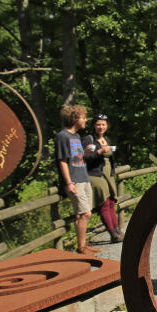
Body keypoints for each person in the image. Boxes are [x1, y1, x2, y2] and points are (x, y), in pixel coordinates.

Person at [56, 104, 96, 255]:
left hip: (83, 177)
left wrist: (85, 151)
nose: (85, 120)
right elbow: (63, 161)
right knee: (84, 214)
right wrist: (68, 183)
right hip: (74, 180)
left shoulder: (76, 136)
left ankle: (83, 244)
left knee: (85, 213)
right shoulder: (63, 136)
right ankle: (81, 247)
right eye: (83, 117)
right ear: (74, 119)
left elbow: (78, 157)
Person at [82, 113, 124, 243]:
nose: (101, 127)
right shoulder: (89, 139)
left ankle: (118, 231)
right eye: (98, 124)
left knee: (111, 202)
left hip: (107, 174)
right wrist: (99, 152)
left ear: (107, 126)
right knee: (104, 204)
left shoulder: (106, 139)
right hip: (95, 174)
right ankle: (113, 234)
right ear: (94, 125)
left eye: (103, 124)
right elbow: (84, 158)